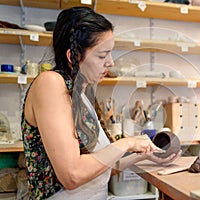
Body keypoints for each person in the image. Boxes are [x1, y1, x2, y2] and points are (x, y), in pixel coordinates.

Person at [21, 7, 181, 199]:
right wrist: (126, 143)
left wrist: (143, 155)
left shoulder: (82, 93)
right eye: (102, 55)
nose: (111, 62)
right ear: (73, 56)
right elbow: (72, 175)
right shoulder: (51, 83)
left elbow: (101, 168)